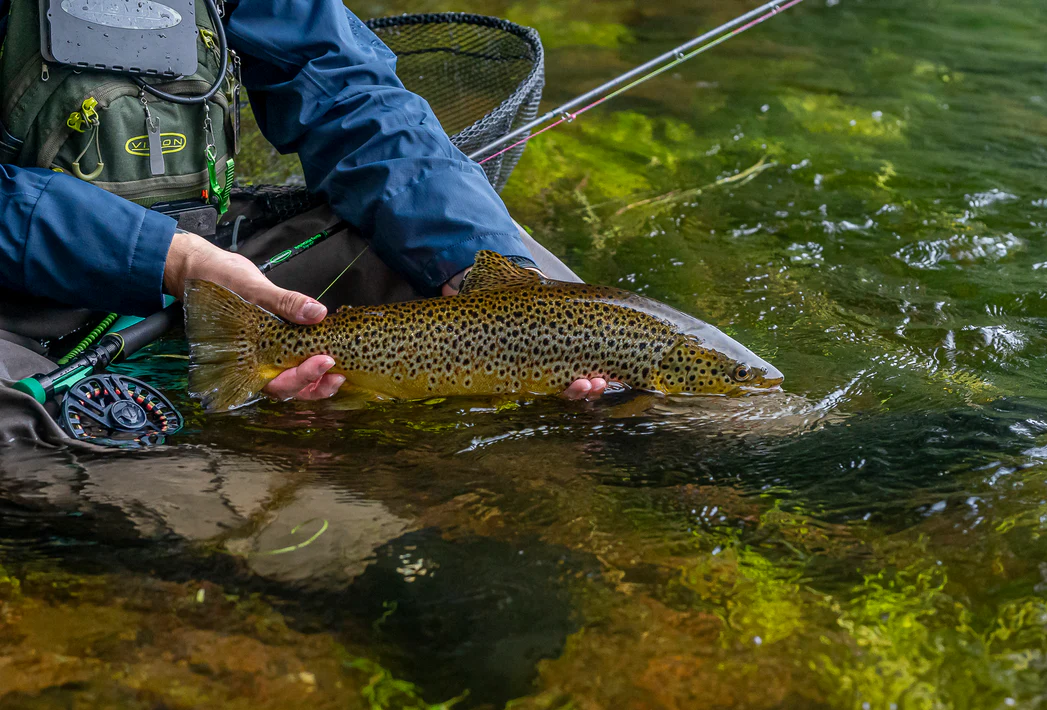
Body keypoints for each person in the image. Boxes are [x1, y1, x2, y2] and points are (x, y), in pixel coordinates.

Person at [0, 0, 606, 440]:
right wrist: (167, 258)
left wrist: (478, 269)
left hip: (209, 254)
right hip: (21, 294)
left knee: (559, 311)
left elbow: (349, 94)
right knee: (25, 435)